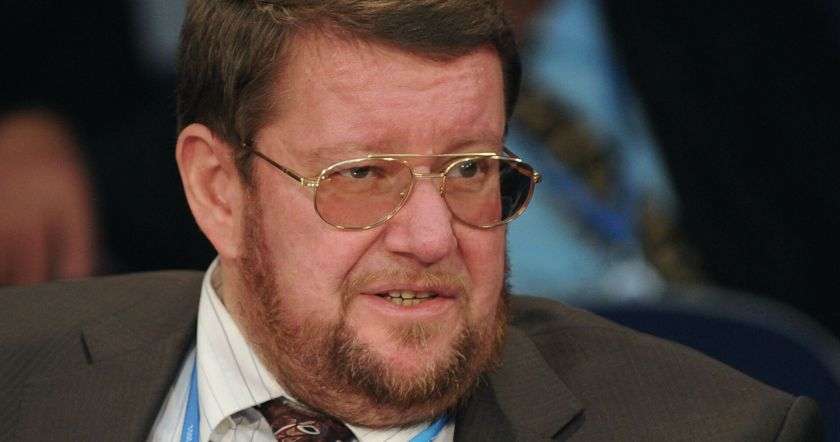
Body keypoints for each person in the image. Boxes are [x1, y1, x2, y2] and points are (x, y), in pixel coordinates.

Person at [0, 1, 822, 441]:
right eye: (360, 176)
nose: (433, 239)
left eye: (470, 171)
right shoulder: (21, 381)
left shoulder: (730, 429)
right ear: (219, 190)